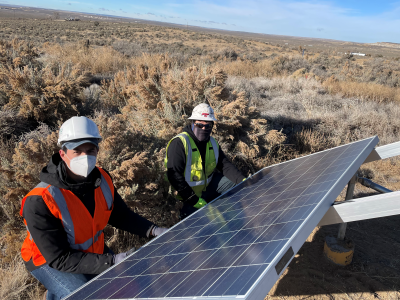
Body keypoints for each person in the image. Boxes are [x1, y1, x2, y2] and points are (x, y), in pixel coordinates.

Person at [20, 116, 168, 300]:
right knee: (87, 295)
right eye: (77, 151)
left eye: (90, 150)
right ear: (63, 154)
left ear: (97, 150)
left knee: (130, 286)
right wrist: (111, 261)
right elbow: (60, 258)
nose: (85, 157)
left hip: (90, 250)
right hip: (49, 261)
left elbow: (120, 215)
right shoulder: (40, 200)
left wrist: (153, 230)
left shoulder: (102, 179)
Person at [165, 103, 246, 218]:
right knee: (197, 223)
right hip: (185, 195)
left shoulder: (212, 142)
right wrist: (193, 200)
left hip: (206, 188)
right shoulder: (180, 143)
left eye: (208, 126)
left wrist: (243, 181)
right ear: (192, 123)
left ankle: (232, 214)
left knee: (235, 184)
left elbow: (224, 165)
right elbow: (174, 176)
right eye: (199, 125)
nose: (204, 128)